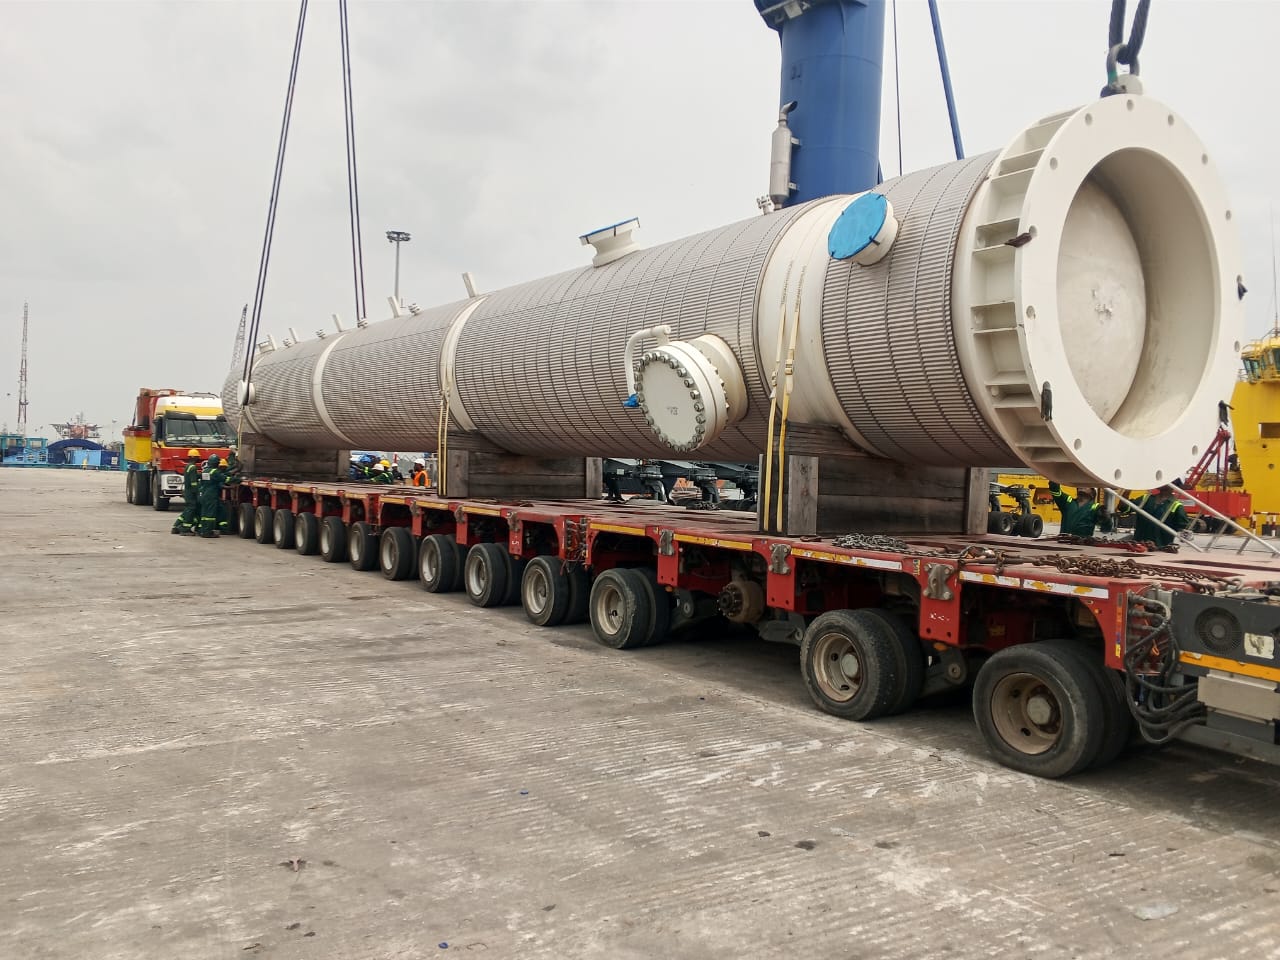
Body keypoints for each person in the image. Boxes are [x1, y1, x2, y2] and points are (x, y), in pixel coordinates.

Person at [1047, 481, 1111, 537]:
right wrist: (1057, 476)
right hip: (1064, 542)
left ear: (1092, 493)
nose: (1081, 486)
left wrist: (1106, 520)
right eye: (1080, 485)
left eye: (1086, 485)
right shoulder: (1068, 502)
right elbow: (1054, 489)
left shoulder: (1096, 508)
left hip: (1082, 544)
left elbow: (1106, 529)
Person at [171, 448, 203, 535]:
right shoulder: (193, 467)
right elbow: (193, 483)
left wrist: (201, 475)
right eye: (197, 457)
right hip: (191, 493)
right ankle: (185, 529)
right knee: (191, 509)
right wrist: (197, 493)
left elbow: (192, 476)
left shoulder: (188, 466)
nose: (198, 458)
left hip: (187, 491)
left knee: (188, 509)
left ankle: (176, 525)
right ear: (195, 458)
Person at [196, 454, 226, 538]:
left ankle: (203, 530)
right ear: (216, 463)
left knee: (204, 513)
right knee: (210, 515)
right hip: (211, 495)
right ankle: (208, 532)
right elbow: (224, 479)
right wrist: (237, 480)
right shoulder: (215, 472)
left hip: (204, 494)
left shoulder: (205, 471)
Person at [217, 450, 243, 532]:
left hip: (215, 495)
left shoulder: (224, 471)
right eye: (224, 467)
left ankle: (223, 528)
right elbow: (221, 485)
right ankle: (222, 528)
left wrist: (237, 460)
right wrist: (231, 487)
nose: (225, 468)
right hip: (215, 495)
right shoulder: (218, 474)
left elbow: (238, 468)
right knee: (221, 512)